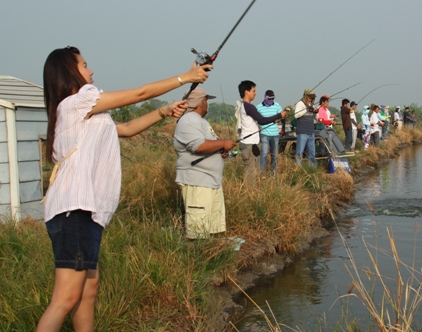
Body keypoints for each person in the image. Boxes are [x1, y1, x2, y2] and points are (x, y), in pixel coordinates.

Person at [38, 46, 210, 331]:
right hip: (74, 210)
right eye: (84, 65)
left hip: (86, 213)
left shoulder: (88, 113)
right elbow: (140, 93)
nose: (90, 70)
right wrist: (185, 77)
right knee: (64, 298)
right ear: (68, 72)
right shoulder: (77, 102)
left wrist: (164, 111)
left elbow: (128, 128)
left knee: (88, 291)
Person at [174, 88, 237, 239]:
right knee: (198, 231)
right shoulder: (188, 121)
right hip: (198, 182)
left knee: (213, 229)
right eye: (206, 100)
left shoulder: (201, 121)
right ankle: (197, 257)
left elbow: (210, 143)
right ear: (201, 101)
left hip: (211, 182)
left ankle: (214, 255)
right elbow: (199, 146)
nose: (207, 104)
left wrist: (221, 149)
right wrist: (223, 142)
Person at [237, 80, 287, 178]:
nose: (255, 93)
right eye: (253, 91)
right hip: (248, 144)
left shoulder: (246, 106)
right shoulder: (248, 106)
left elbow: (260, 121)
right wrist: (279, 115)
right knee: (250, 173)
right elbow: (262, 120)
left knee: (254, 172)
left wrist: (276, 117)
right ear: (246, 92)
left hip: (252, 143)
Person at [256, 90, 283, 172]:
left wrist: (278, 118)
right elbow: (255, 120)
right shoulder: (259, 107)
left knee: (274, 155)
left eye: (272, 99)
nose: (271, 100)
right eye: (269, 99)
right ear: (265, 97)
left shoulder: (277, 105)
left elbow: (282, 115)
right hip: (264, 134)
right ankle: (262, 173)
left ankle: (273, 173)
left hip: (275, 134)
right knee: (264, 153)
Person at [294, 89, 317, 167]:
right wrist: (306, 109)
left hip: (311, 131)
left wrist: (315, 112)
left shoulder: (312, 105)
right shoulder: (300, 104)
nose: (311, 99)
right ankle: (297, 168)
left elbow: (316, 118)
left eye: (313, 97)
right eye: (310, 97)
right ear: (306, 96)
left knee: (312, 152)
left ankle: (312, 168)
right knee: (299, 152)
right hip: (302, 132)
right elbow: (296, 115)